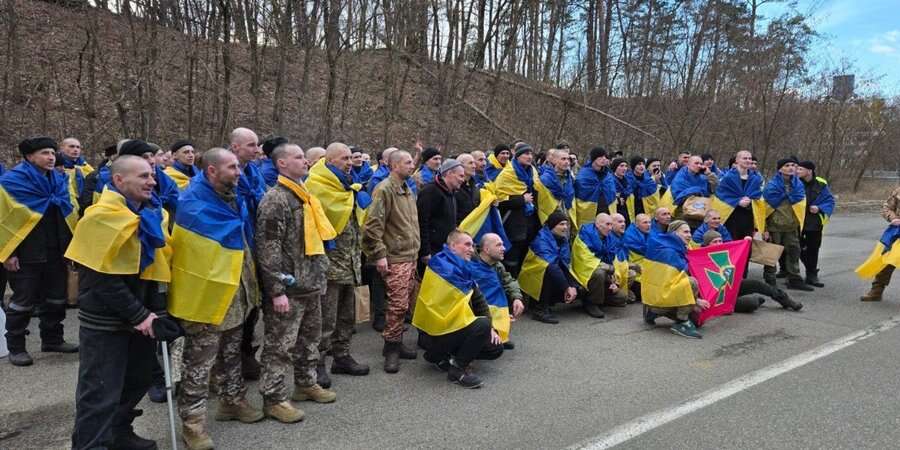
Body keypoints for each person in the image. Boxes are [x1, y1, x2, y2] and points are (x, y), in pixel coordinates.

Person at [68, 155, 172, 450]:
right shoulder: (98, 218)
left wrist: (159, 313)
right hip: (105, 322)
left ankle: (119, 434)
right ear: (118, 181)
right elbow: (101, 280)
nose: (151, 181)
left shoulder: (150, 215)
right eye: (142, 176)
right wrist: (140, 315)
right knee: (100, 393)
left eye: (151, 175)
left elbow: (155, 271)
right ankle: (92, 445)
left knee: (137, 381)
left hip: (140, 319)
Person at [168, 148, 263, 450]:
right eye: (233, 167)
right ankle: (192, 425)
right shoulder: (192, 203)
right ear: (211, 171)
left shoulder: (233, 198)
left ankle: (232, 401)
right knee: (199, 362)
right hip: (206, 298)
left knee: (232, 351)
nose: (239, 172)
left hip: (236, 292)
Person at [256, 143, 336, 424]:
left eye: (305, 157)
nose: (306, 161)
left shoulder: (305, 194)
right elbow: (269, 248)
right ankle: (274, 398)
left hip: (311, 282)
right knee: (280, 345)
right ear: (281, 164)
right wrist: (276, 290)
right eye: (299, 157)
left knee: (309, 340)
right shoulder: (275, 200)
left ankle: (306, 382)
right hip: (289, 288)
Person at [1, 137, 79, 367]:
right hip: (26, 252)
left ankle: (53, 339)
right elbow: (3, 220)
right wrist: (8, 253)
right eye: (45, 152)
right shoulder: (11, 182)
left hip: (55, 248)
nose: (51, 157)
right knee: (22, 301)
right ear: (29, 156)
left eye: (53, 153)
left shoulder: (59, 180)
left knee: (56, 298)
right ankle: (16, 346)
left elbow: (69, 212)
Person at [305, 142, 372, 386]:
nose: (349, 162)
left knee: (347, 316)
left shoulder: (347, 186)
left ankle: (342, 356)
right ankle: (318, 362)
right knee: (326, 319)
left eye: (349, 158)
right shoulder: (316, 185)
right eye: (344, 158)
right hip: (329, 266)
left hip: (351, 262)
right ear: (330, 160)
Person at [414, 230, 504, 388]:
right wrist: (482, 325)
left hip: (454, 328)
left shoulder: (464, 269)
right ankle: (457, 369)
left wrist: (491, 328)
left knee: (495, 348)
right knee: (481, 325)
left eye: (472, 245)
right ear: (453, 246)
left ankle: (440, 357)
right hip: (434, 333)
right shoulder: (441, 266)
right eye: (467, 244)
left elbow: (480, 301)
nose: (471, 249)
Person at [363, 150, 421, 373]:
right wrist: (379, 254)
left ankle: (397, 341)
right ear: (394, 165)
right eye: (407, 162)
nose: (411, 166)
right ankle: (391, 348)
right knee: (396, 305)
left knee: (404, 303)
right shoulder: (385, 189)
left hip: (410, 255)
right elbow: (372, 226)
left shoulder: (406, 189)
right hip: (395, 257)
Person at [229, 127, 267, 380]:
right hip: (237, 245)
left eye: (257, 145)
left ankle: (247, 353)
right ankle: (231, 361)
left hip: (256, 241)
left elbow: (263, 197)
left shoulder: (254, 172)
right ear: (235, 147)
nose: (257, 149)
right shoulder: (227, 175)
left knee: (254, 305)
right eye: (251, 145)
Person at [698, 230, 803, 313]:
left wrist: (745, 242)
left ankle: (786, 300)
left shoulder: (725, 251)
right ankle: (755, 300)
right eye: (715, 242)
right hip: (717, 296)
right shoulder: (700, 258)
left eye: (720, 241)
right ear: (707, 244)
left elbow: (739, 254)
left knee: (757, 284)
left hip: (731, 286)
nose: (718, 243)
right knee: (751, 303)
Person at [641, 220, 709, 339]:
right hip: (660, 295)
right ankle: (681, 322)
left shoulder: (670, 245)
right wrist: (696, 300)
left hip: (654, 295)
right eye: (685, 232)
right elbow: (674, 281)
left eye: (690, 232)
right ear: (674, 233)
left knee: (697, 318)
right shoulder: (669, 251)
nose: (689, 235)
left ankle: (653, 311)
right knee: (691, 282)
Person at [762, 157, 813, 291]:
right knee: (771, 253)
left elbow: (800, 205)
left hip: (791, 226)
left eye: (793, 165)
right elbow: (764, 209)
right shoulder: (771, 186)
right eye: (787, 165)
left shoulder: (798, 186)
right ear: (780, 169)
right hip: (775, 226)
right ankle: (769, 280)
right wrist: (764, 228)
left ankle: (794, 279)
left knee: (794, 251)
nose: (791, 167)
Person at [518, 212, 577, 324]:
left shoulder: (562, 239)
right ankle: (539, 309)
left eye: (566, 224)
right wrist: (567, 287)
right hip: (532, 277)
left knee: (577, 287)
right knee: (548, 270)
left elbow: (565, 264)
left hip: (549, 273)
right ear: (552, 225)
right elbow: (552, 265)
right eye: (561, 224)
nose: (565, 227)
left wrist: (572, 286)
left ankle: (549, 302)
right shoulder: (542, 240)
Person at [468, 233, 525, 349]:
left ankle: (498, 333)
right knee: (494, 349)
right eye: (499, 245)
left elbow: (509, 281)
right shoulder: (471, 268)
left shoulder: (497, 265)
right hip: (477, 313)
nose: (504, 248)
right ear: (487, 249)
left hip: (490, 309)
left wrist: (517, 298)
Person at [571, 213, 629, 319]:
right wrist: (607, 268)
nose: (610, 228)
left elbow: (613, 260)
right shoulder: (584, 235)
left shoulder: (609, 238)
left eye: (611, 225)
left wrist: (614, 281)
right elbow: (585, 261)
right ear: (597, 224)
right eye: (607, 224)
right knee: (599, 273)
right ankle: (592, 303)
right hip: (585, 272)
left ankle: (597, 297)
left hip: (604, 271)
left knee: (623, 297)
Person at [495, 144, 541, 276]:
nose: (529, 157)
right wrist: (522, 199)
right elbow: (500, 199)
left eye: (531, 154)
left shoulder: (533, 171)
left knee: (524, 256)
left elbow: (537, 190)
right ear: (518, 156)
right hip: (513, 223)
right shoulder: (508, 173)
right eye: (526, 154)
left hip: (529, 221)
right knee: (511, 259)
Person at [418, 159, 466, 270]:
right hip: (431, 251)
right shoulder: (430, 191)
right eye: (460, 176)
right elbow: (422, 222)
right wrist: (425, 251)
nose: (462, 180)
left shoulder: (452, 193)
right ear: (449, 173)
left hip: (445, 250)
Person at [859, 185, 900, 302]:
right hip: (897, 233)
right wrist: (893, 218)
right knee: (885, 260)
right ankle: (876, 291)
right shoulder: (898, 190)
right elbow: (887, 207)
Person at [797, 160, 835, 287]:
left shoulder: (821, 183)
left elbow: (829, 200)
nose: (797, 171)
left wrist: (819, 208)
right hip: (797, 221)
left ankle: (811, 275)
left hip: (814, 222)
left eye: (800, 169)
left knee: (813, 249)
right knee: (797, 247)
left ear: (809, 171)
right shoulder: (795, 182)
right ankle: (796, 273)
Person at [713, 150, 765, 242]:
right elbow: (721, 196)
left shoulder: (756, 179)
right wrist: (737, 201)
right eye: (745, 158)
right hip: (731, 216)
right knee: (731, 244)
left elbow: (758, 197)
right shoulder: (728, 178)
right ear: (737, 160)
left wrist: (751, 201)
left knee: (746, 245)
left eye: (750, 158)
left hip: (748, 217)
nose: (748, 160)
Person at [667, 155, 718, 227]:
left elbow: (714, 189)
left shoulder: (703, 178)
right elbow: (678, 196)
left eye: (701, 164)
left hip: (700, 215)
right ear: (688, 164)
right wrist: (697, 190)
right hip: (683, 215)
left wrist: (709, 174)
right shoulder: (680, 177)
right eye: (696, 163)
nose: (699, 166)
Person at [574, 146, 615, 228]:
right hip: (588, 211)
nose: (603, 159)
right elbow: (579, 193)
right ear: (594, 158)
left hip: (606, 210)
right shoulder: (583, 174)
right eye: (600, 157)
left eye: (604, 156)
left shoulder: (608, 175)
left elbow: (612, 191)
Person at [538, 147, 575, 223]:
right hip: (550, 219)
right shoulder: (545, 179)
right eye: (563, 159)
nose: (567, 162)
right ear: (554, 160)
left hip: (567, 217)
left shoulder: (570, 179)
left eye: (568, 159)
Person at [626, 156, 659, 220]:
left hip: (645, 211)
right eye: (639, 164)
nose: (642, 166)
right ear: (633, 166)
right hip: (631, 210)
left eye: (643, 164)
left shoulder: (649, 181)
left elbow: (654, 198)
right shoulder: (626, 179)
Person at [454, 154, 481, 223]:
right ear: (460, 166)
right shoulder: (454, 187)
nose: (474, 166)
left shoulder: (475, 186)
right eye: (470, 163)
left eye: (474, 163)